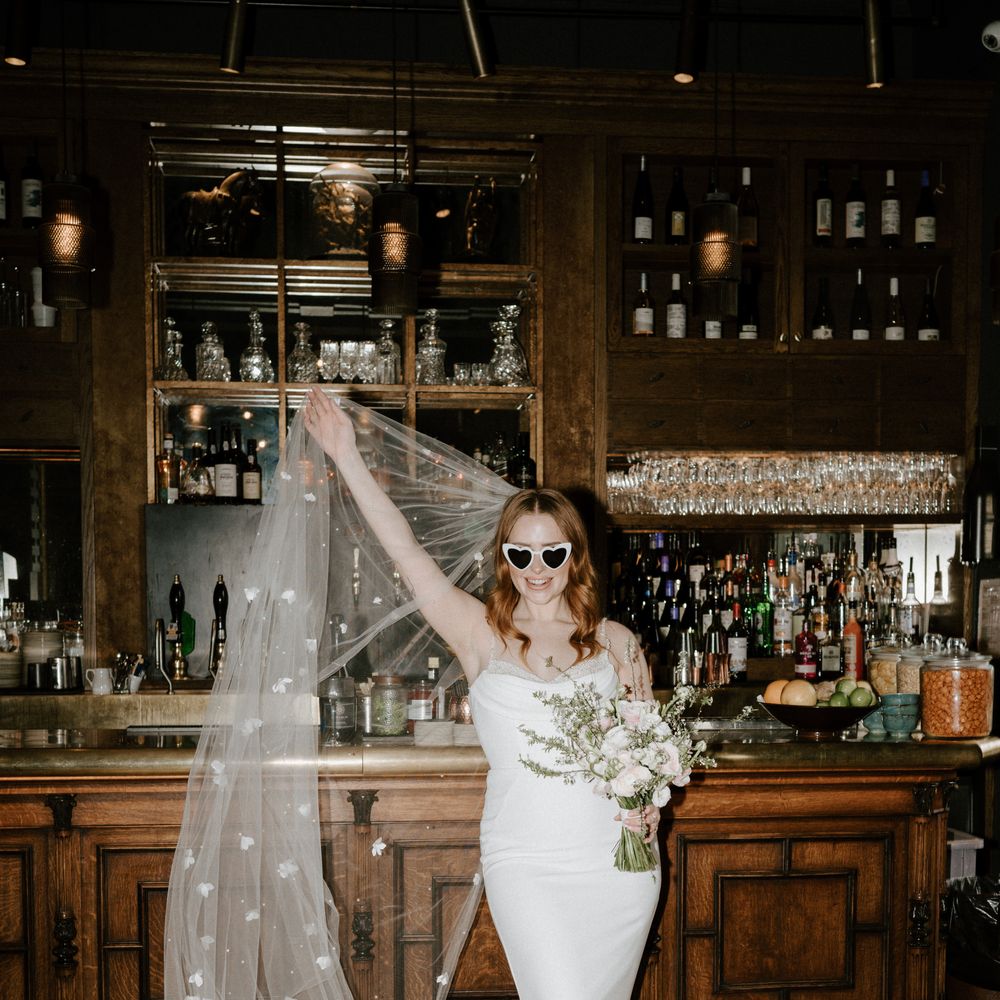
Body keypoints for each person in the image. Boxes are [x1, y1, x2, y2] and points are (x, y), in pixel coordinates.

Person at [304, 388, 660, 1000]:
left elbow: (646, 752)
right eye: (522, 552)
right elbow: (404, 549)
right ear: (504, 558)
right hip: (525, 862)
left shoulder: (615, 642)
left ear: (574, 556)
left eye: (553, 551)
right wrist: (346, 454)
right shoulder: (480, 633)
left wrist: (650, 806)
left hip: (618, 866)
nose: (537, 567)